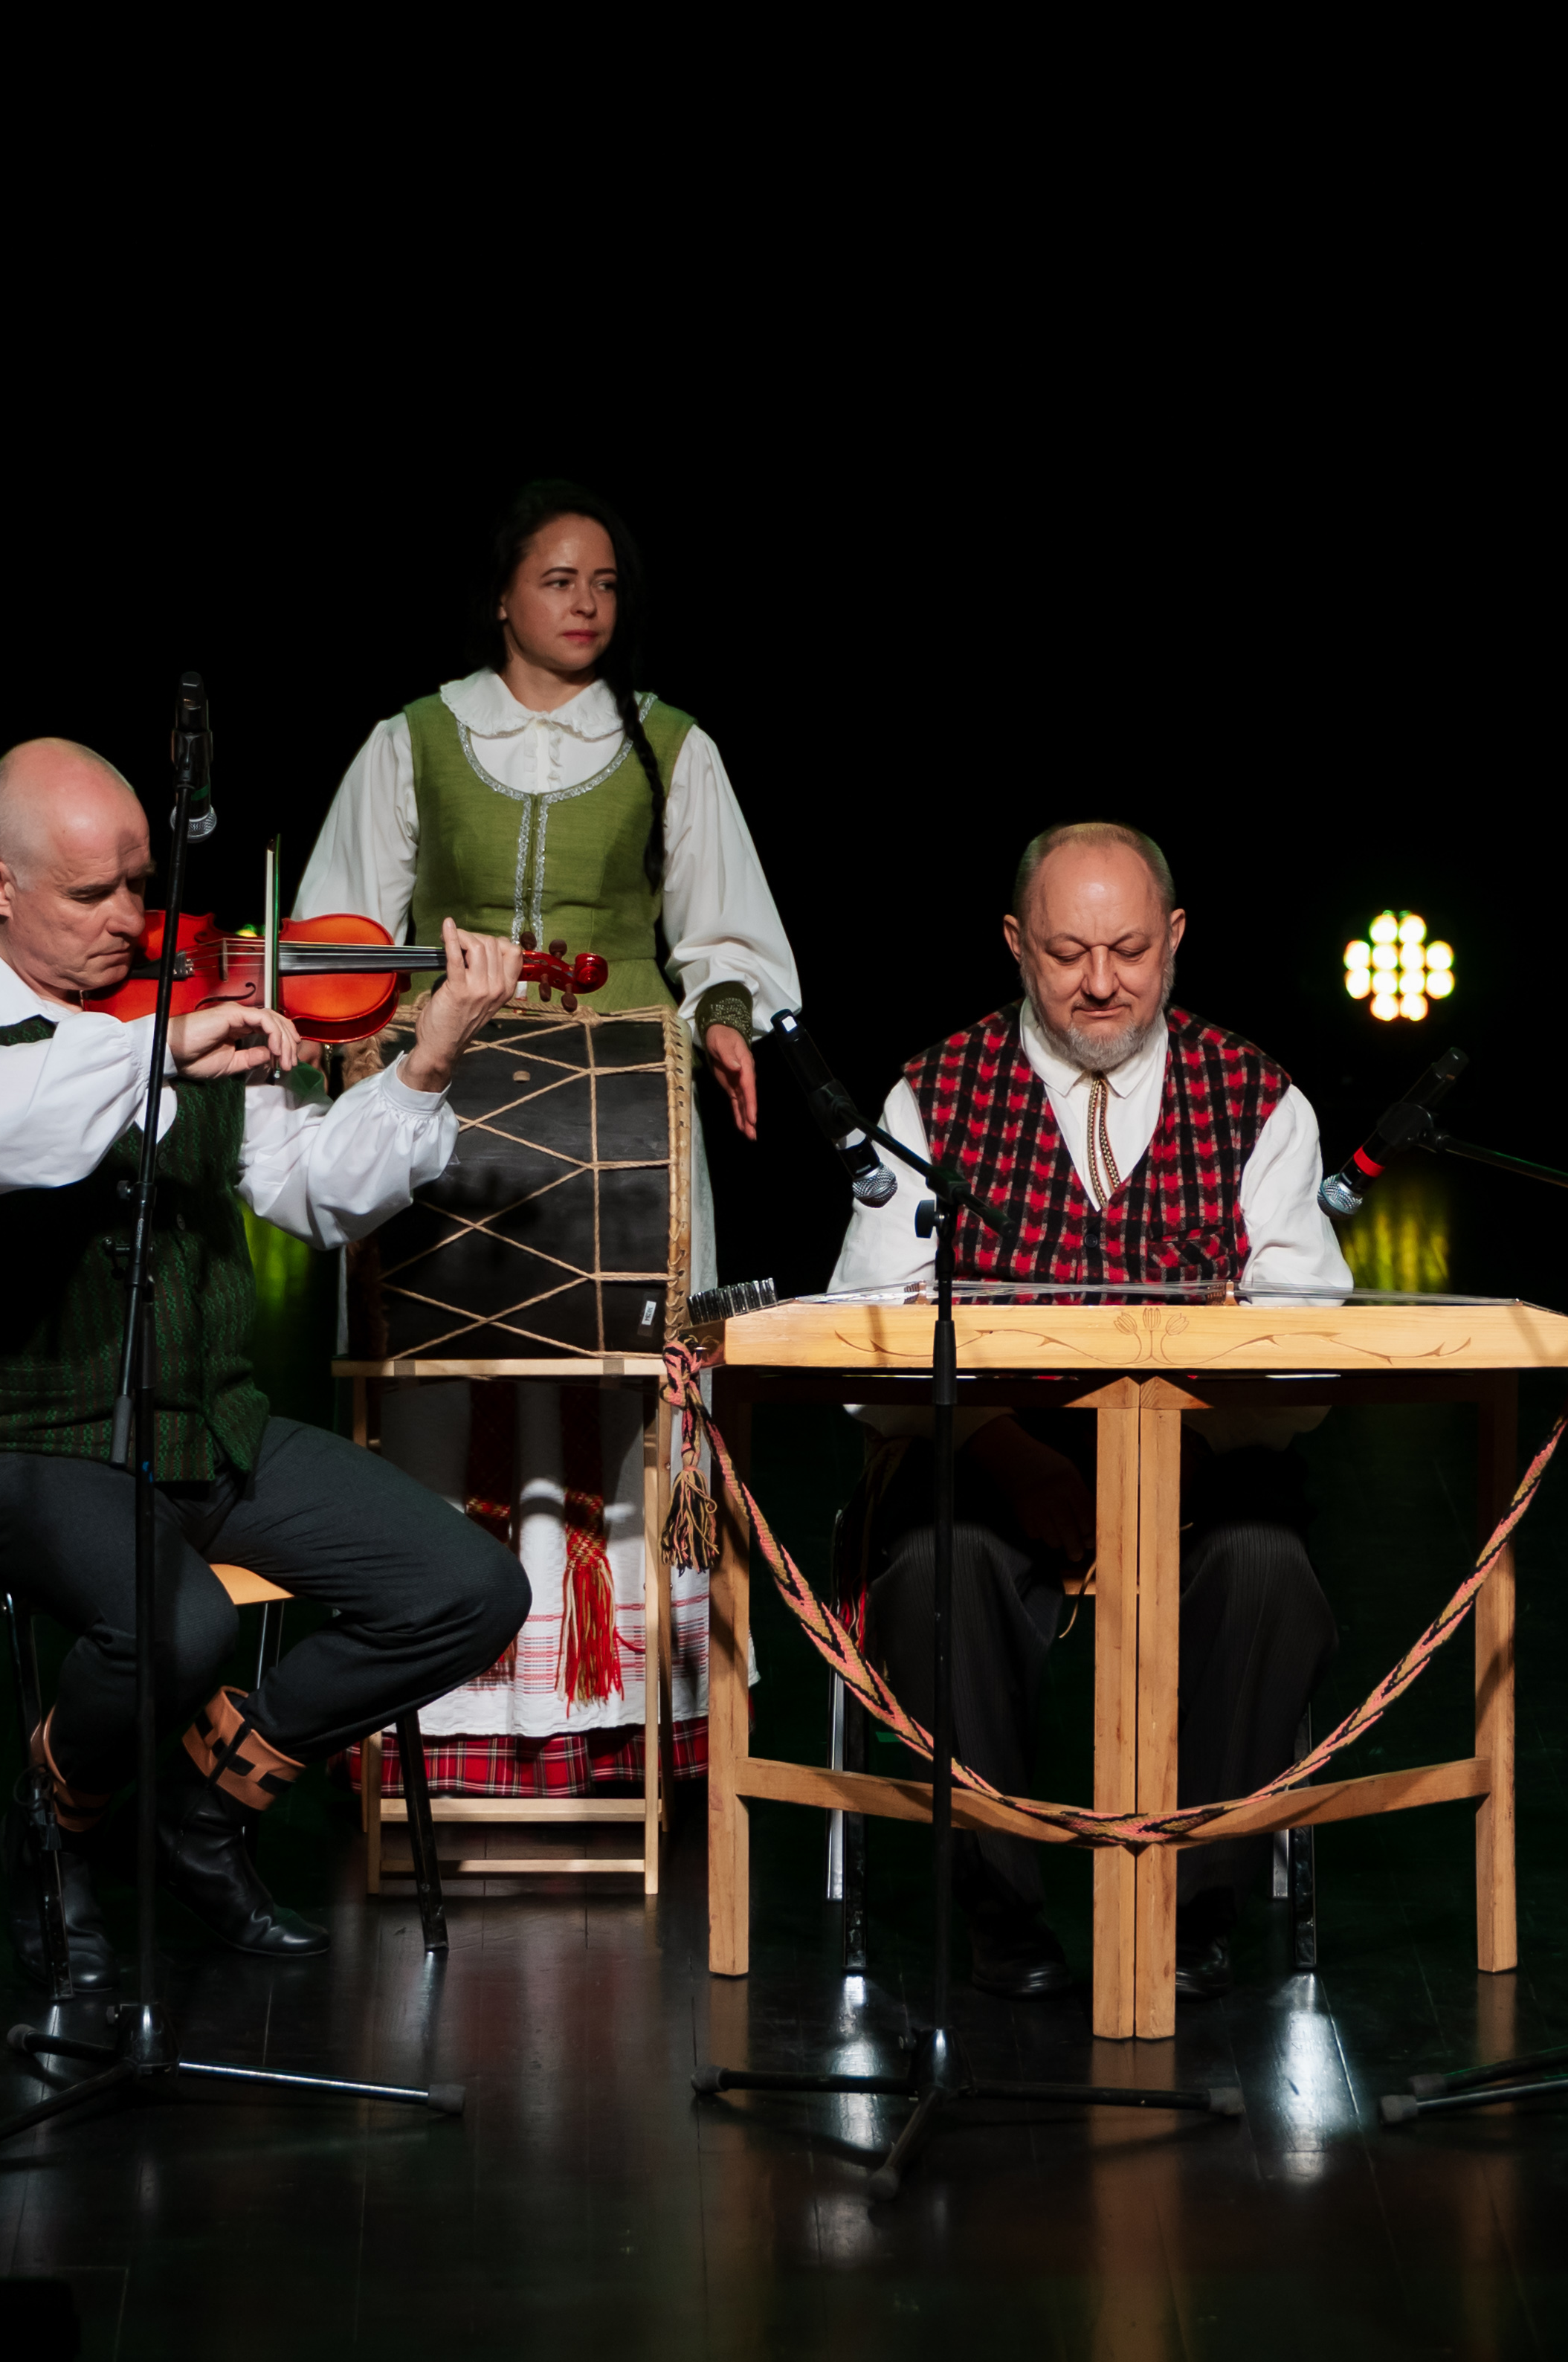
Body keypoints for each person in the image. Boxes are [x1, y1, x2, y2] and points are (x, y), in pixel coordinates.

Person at [0, 738, 532, 1985]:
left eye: (141, 883)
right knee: (179, 1625)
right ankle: (54, 1820)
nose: (132, 920)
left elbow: (310, 1193)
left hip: (207, 1428)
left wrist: (428, 1057)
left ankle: (203, 1805)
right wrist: (152, 1050)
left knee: (466, 1587)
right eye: (92, 894)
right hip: (19, 1441)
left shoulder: (184, 997)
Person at [297, 480, 801, 1802]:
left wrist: (728, 1017)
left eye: (606, 584)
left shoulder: (669, 744)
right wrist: (341, 1045)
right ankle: (442, 1716)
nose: (586, 605)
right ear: (503, 597)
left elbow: (725, 932)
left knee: (625, 1375)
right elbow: (340, 931)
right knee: (443, 1368)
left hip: (624, 1112)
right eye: (559, 581)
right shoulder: (412, 739)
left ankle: (619, 1725)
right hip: (452, 1100)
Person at [827, 822, 1351, 2002]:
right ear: (1016, 945)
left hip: (1204, 1465)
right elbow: (866, 1337)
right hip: (989, 1464)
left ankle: (1192, 1911)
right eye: (1067, 953)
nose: (1100, 981)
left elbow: (1307, 1347)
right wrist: (1007, 1453)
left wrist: (1169, 1450)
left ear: (1174, 939)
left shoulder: (1258, 1098)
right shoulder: (929, 1095)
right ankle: (1002, 1921)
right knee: (938, 1573)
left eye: (1128, 949)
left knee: (1266, 1573)